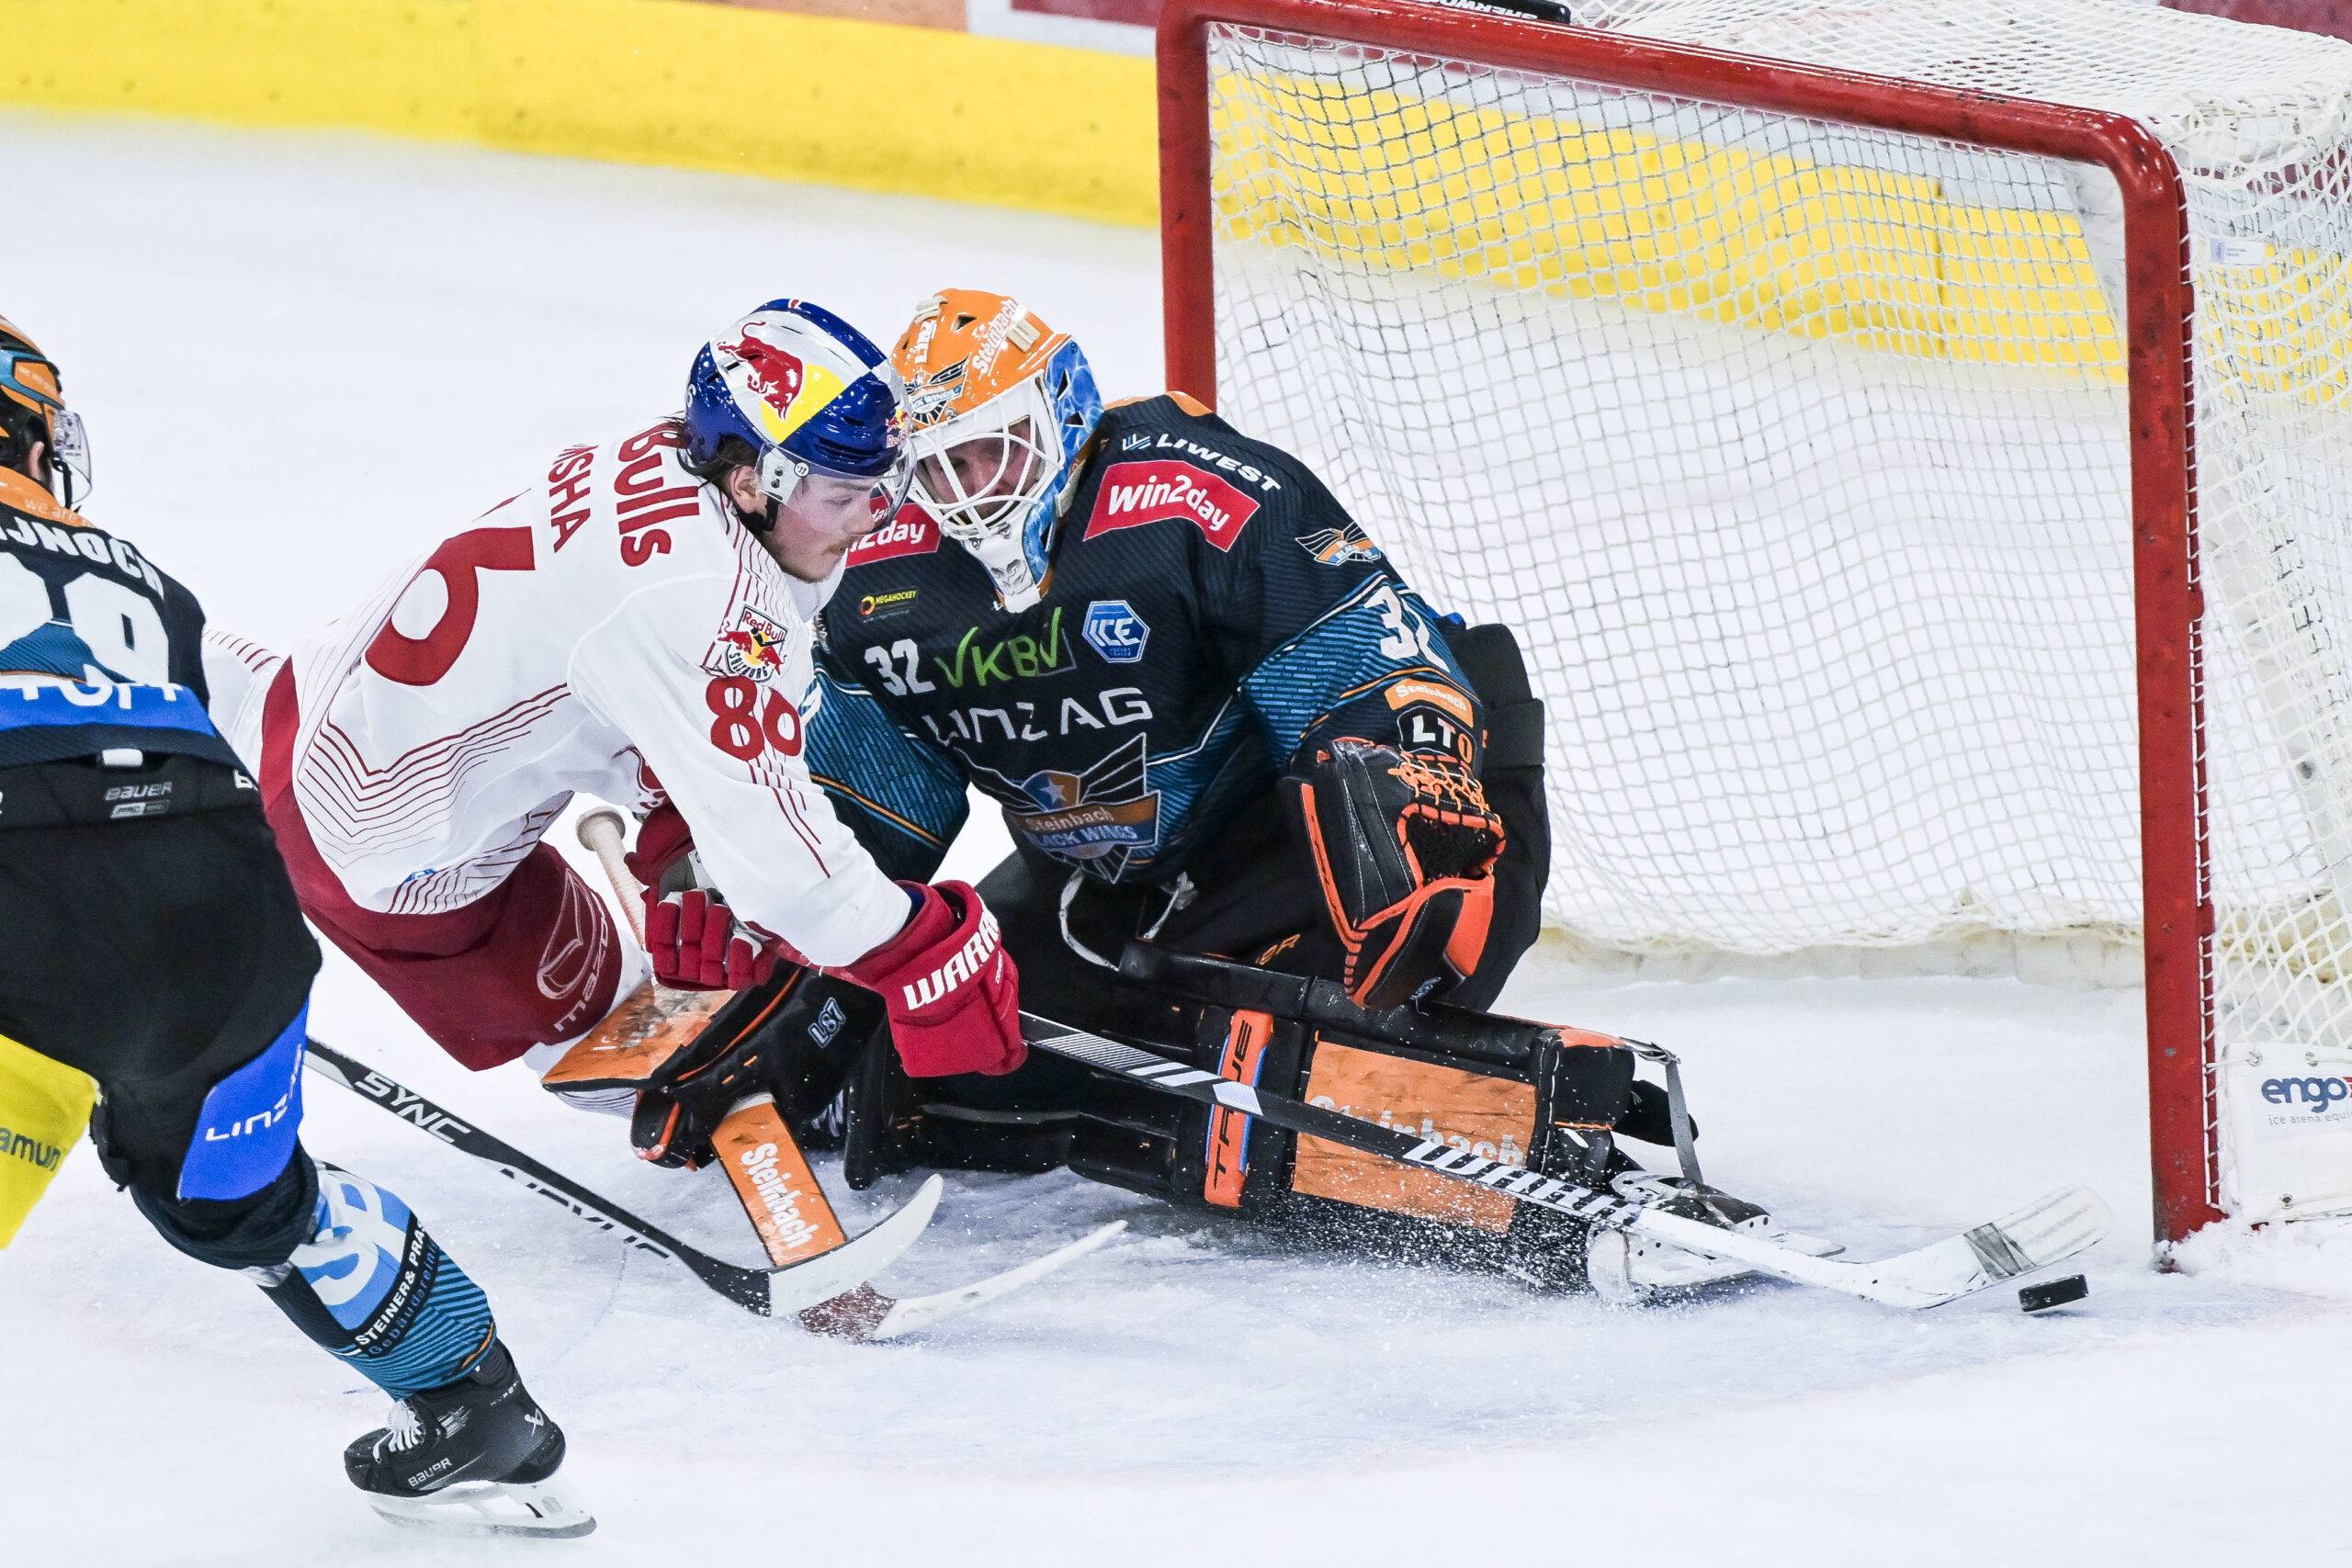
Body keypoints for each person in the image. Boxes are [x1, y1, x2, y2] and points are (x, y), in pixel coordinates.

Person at [629, 291, 1650, 1279]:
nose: (964, 490)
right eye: (931, 468)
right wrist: (792, 942)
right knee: (934, 1062)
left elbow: (1359, 674)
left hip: (1343, 826)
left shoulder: (1194, 492)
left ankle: (1526, 1136)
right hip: (1127, 878)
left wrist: (1412, 795)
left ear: (1062, 414)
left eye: (988, 451)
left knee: (1302, 1029)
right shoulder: (878, 572)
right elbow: (866, 813)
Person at [0, 314, 589, 1537]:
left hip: (30, 912)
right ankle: (474, 1402)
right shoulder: (140, 575)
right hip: (230, 922)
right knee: (238, 1193)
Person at [207, 299, 1026, 1111]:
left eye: (881, 486)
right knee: (631, 1044)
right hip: (389, 858)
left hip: (304, 698)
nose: (870, 519)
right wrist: (922, 952)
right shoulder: (711, 604)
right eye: (843, 495)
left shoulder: (664, 458)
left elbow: (601, 667)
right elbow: (796, 885)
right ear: (752, 483)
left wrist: (681, 832)